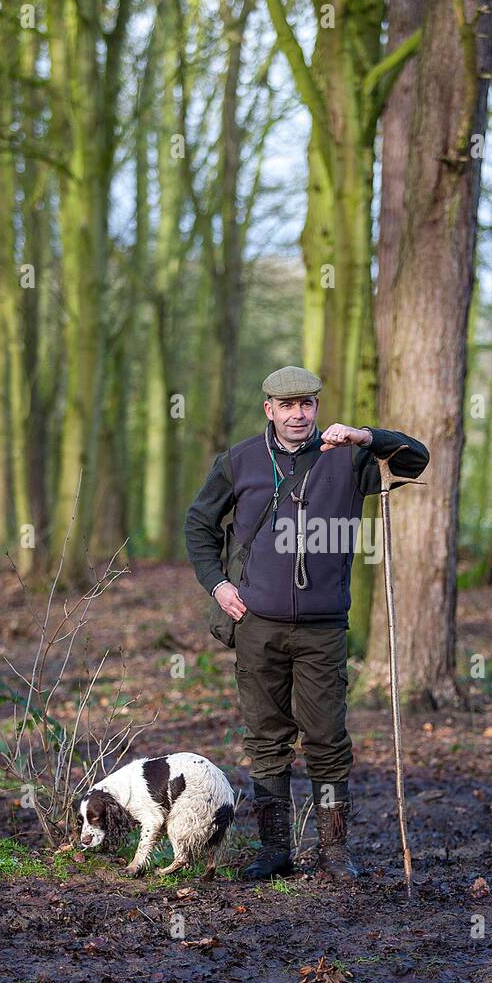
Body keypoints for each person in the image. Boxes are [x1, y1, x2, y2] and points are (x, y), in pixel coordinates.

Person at [184, 365, 429, 882]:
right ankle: (274, 851)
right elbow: (199, 525)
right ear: (269, 409)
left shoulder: (351, 458)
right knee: (266, 738)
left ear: (317, 408)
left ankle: (336, 854)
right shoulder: (239, 461)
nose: (299, 415)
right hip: (256, 623)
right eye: (288, 406)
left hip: (322, 627)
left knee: (326, 739)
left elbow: (415, 457)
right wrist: (218, 584)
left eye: (308, 405)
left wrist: (365, 436)